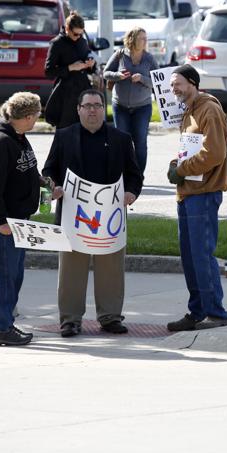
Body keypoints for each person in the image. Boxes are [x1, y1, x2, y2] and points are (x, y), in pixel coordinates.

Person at [42, 89, 144, 337]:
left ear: (104, 109)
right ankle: (70, 319)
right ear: (78, 109)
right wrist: (52, 187)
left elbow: (134, 174)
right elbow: (49, 170)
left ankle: (110, 317)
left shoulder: (121, 138)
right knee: (71, 270)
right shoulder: (64, 136)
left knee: (110, 268)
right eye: (87, 105)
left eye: (97, 105)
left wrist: (131, 193)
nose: (92, 110)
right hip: (73, 217)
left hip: (109, 217)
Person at [165, 64, 227, 332]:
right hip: (188, 193)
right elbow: (190, 150)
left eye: (177, 84)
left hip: (203, 194)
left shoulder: (209, 110)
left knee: (201, 255)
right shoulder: (189, 111)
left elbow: (214, 153)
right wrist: (176, 164)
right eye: (171, 85)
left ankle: (215, 312)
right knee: (190, 257)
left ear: (193, 82)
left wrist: (181, 170)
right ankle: (197, 311)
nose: (174, 89)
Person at [0, 92, 46, 347]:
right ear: (27, 116)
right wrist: (1, 222)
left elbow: (25, 168)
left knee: (14, 274)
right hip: (6, 222)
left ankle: (5, 322)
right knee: (5, 275)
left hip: (18, 220)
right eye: (36, 116)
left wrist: (41, 182)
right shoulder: (0, 142)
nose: (37, 120)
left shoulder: (18, 137)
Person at [103, 26, 158, 173]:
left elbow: (158, 81)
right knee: (121, 142)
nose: (145, 41)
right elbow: (105, 73)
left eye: (146, 38)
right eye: (142, 38)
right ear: (132, 39)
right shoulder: (120, 55)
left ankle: (138, 176)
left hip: (143, 107)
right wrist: (117, 76)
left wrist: (142, 79)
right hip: (120, 106)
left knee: (140, 143)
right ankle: (122, 174)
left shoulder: (149, 58)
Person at [44, 11, 95, 129]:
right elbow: (49, 72)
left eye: (81, 34)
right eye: (75, 34)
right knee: (65, 131)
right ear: (67, 28)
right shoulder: (57, 43)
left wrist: (90, 64)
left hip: (83, 90)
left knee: (85, 129)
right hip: (65, 94)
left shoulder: (82, 41)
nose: (78, 37)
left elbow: (88, 58)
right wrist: (70, 68)